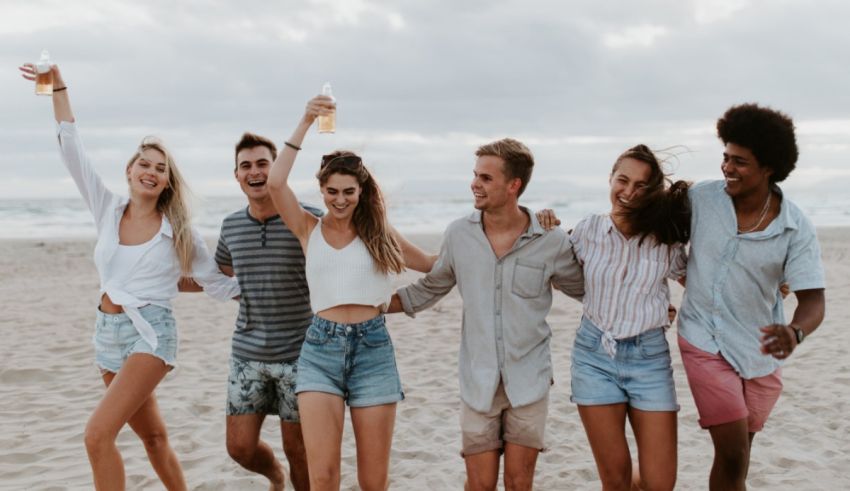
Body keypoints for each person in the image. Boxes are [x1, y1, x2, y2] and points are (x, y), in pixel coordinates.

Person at [19, 63, 240, 490]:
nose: (151, 171)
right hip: (106, 335)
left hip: (150, 335)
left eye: (160, 169)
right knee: (153, 437)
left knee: (96, 435)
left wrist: (270, 283)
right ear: (130, 169)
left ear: (166, 183)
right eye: (145, 163)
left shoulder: (178, 231)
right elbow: (70, 146)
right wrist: (58, 85)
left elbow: (215, 283)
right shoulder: (106, 207)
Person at [389, 138, 584, 491]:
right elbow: (431, 287)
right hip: (478, 382)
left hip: (530, 380)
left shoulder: (551, 241)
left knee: (518, 484)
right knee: (479, 486)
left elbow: (587, 289)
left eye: (486, 178)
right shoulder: (458, 234)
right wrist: (372, 305)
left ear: (514, 186)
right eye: (475, 175)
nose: (474, 184)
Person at [266, 95, 436, 490]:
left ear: (362, 191)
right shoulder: (308, 228)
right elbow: (276, 182)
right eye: (332, 191)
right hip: (320, 351)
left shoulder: (380, 234)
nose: (340, 200)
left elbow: (431, 264)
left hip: (372, 351)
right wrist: (305, 121)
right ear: (321, 190)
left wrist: (493, 239)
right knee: (323, 477)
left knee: (373, 481)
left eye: (348, 191)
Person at [677, 103, 826, 490]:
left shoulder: (795, 227)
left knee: (736, 457)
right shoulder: (701, 200)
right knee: (732, 453)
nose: (727, 168)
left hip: (758, 352)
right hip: (702, 339)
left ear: (769, 167)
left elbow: (813, 301)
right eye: (725, 157)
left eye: (740, 161)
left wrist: (795, 333)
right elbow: (645, 227)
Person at [565, 144, 689, 491]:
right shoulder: (588, 230)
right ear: (611, 178)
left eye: (641, 186)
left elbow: (700, 280)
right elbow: (551, 267)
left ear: (653, 193)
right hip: (593, 357)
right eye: (623, 180)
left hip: (648, 358)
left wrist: (768, 282)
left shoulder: (665, 239)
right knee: (616, 481)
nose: (629, 192)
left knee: (659, 483)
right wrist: (541, 220)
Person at [214, 132, 323, 490]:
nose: (255, 172)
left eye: (263, 164)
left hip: (301, 354)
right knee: (240, 448)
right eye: (246, 166)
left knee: (300, 450)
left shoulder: (309, 218)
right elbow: (222, 274)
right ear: (236, 175)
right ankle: (275, 475)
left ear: (277, 170)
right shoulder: (230, 225)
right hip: (247, 353)